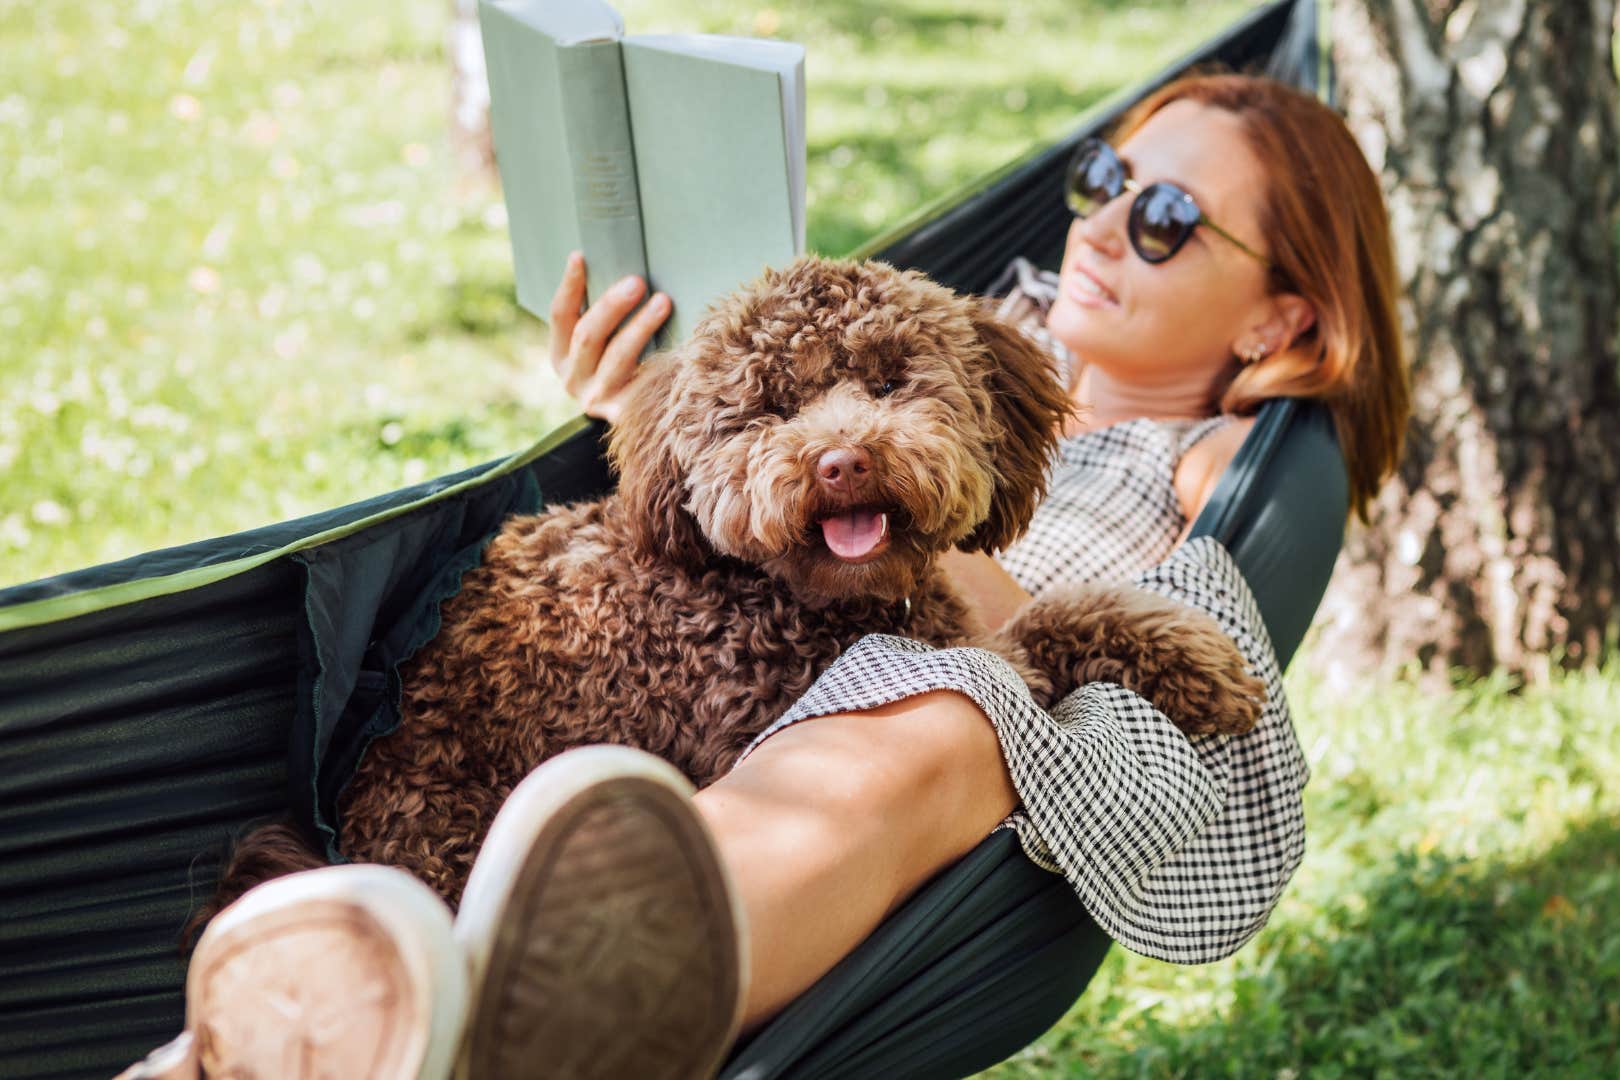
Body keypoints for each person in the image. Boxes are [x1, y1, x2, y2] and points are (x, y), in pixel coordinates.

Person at [120, 73, 1409, 1079]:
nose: (1108, 227)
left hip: (952, 704)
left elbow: (1183, 638)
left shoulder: (1216, 459)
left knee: (936, 717)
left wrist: (938, 544)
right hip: (682, 685)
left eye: (1169, 217)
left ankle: (512, 1012)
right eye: (1104, 178)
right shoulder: (948, 319)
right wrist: (646, 408)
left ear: (1278, 321)